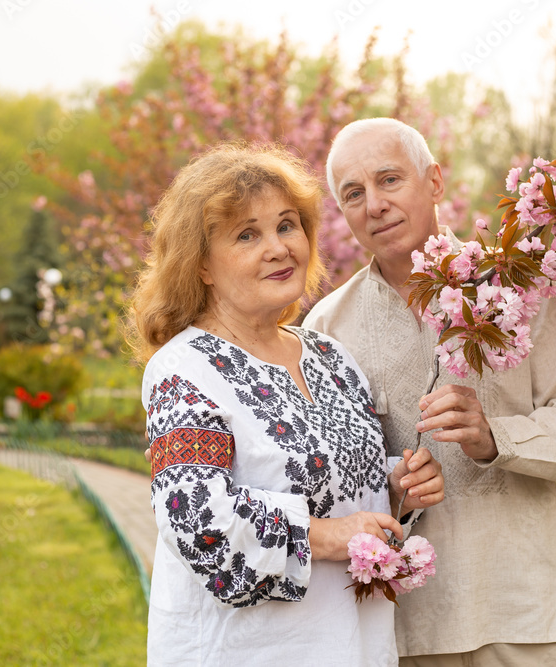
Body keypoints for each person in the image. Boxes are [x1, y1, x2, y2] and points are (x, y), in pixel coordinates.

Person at [303, 118, 556, 666]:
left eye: (389, 179)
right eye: (354, 193)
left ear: (436, 182)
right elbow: (320, 481)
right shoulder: (327, 327)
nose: (374, 204)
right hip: (405, 628)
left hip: (523, 613)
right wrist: (390, 482)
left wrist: (496, 436)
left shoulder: (518, 285)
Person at [130, 142, 445, 666]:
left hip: (355, 647)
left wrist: (396, 487)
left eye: (286, 225)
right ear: (202, 265)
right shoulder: (184, 369)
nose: (278, 247)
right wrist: (326, 536)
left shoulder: (330, 357)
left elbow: (336, 489)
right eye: (247, 235)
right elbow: (199, 523)